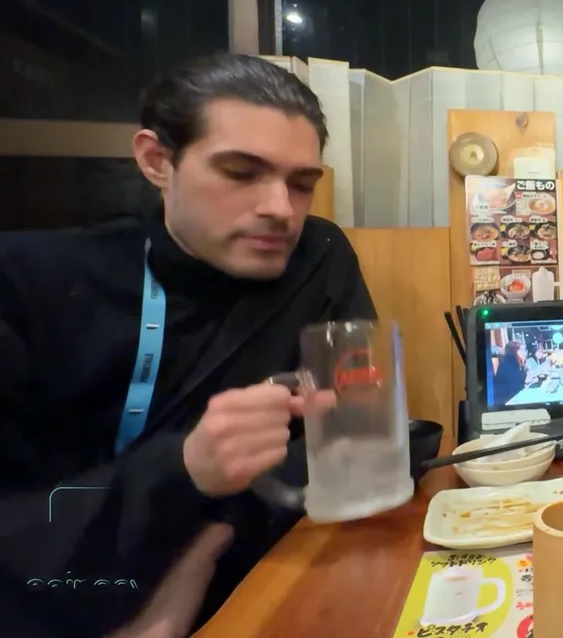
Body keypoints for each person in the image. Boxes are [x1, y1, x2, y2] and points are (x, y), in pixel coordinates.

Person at [0, 53, 376, 637]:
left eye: (302, 184)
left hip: (248, 583)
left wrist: (207, 540)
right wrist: (183, 470)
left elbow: (358, 437)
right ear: (158, 160)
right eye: (240, 173)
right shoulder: (31, 280)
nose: (281, 209)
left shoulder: (318, 259)